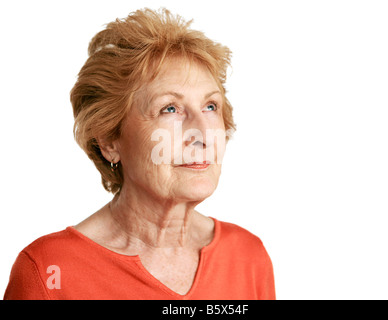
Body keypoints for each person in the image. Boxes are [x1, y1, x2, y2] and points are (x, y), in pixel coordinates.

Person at [4, 8, 275, 300]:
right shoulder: (48, 271)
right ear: (109, 140)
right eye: (169, 108)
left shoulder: (248, 257)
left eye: (211, 106)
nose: (203, 133)